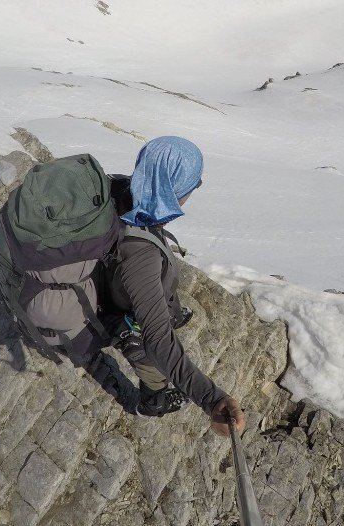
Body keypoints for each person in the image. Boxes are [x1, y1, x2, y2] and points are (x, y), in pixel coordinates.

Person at [104, 136, 245, 438]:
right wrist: (212, 399)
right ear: (174, 190)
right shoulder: (140, 254)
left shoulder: (121, 188)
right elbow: (158, 341)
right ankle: (153, 401)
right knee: (146, 348)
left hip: (116, 282)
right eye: (194, 184)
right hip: (117, 309)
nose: (193, 191)